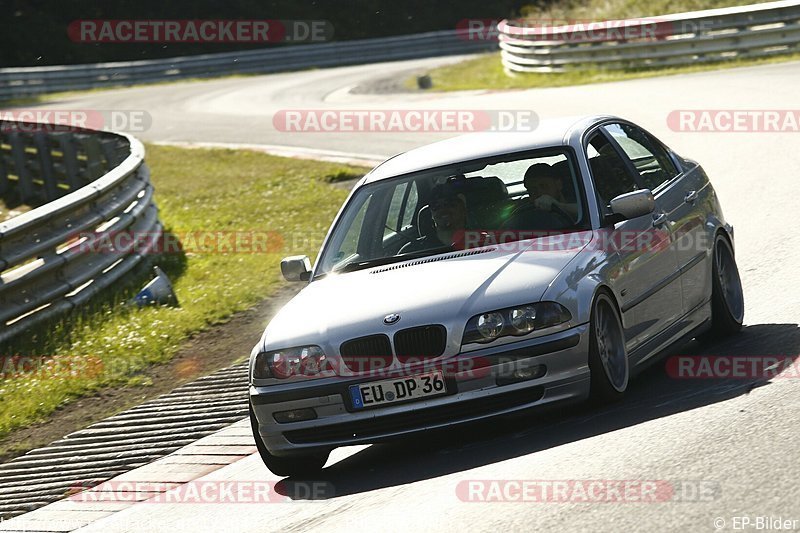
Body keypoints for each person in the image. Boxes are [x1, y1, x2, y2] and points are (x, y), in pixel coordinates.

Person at [400, 181, 468, 253]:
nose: (442, 209)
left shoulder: (479, 243)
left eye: (449, 203)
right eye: (436, 206)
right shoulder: (412, 251)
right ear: (431, 213)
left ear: (462, 208)